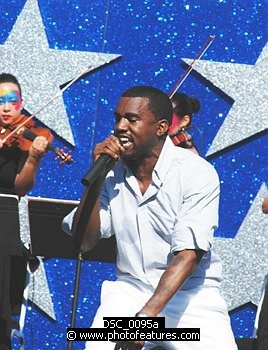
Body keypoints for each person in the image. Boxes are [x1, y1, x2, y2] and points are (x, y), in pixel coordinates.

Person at [62, 85, 237, 349]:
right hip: (130, 292)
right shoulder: (110, 174)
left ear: (161, 127)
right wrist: (95, 180)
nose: (120, 127)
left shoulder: (196, 172)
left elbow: (188, 254)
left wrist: (143, 322)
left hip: (189, 299)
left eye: (131, 119)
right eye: (117, 118)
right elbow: (83, 243)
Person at [0, 73, 49, 349]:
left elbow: (20, 187)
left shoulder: (23, 138)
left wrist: (32, 158)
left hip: (3, 232)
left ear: (22, 104)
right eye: (0, 101)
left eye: (12, 101)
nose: (6, 108)